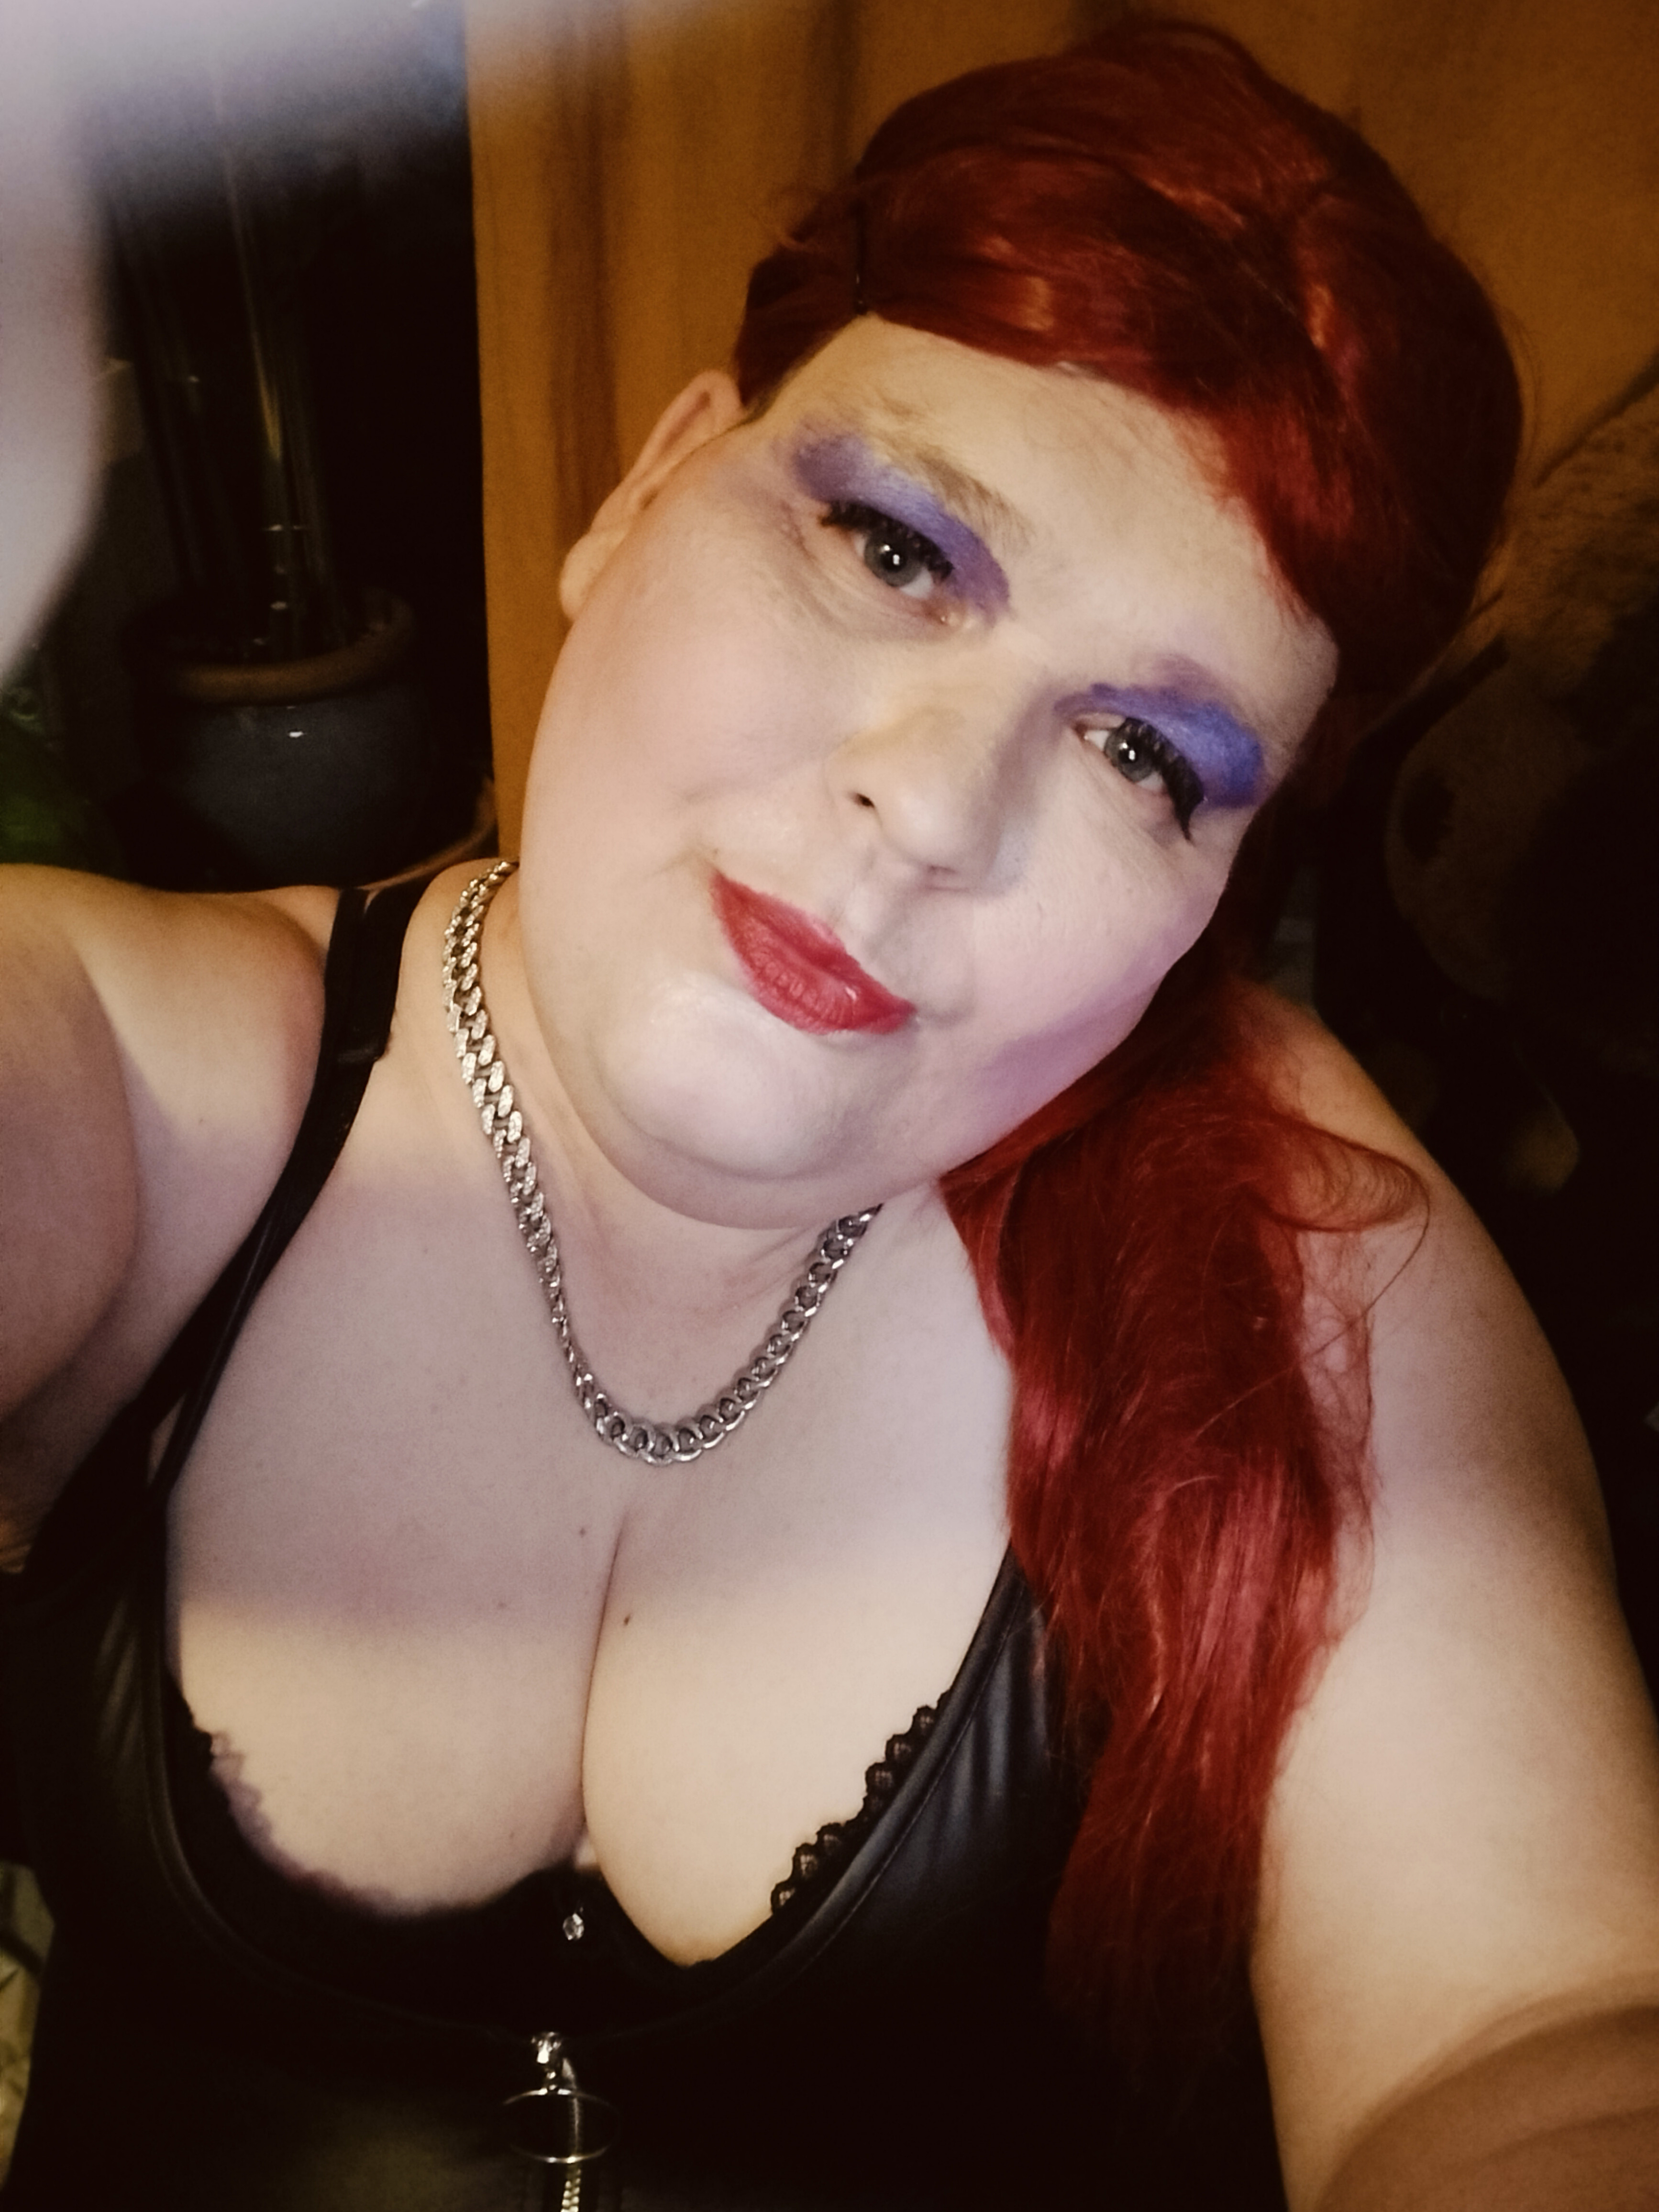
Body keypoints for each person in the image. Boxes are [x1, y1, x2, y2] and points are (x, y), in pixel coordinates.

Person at [0, 18, 1656, 2209]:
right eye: (891, 549)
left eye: (1144, 756)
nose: (935, 805)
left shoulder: (1297, 1250)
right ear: (647, 487)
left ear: (1216, 901)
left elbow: (1533, 2033)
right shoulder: (141, 1073)